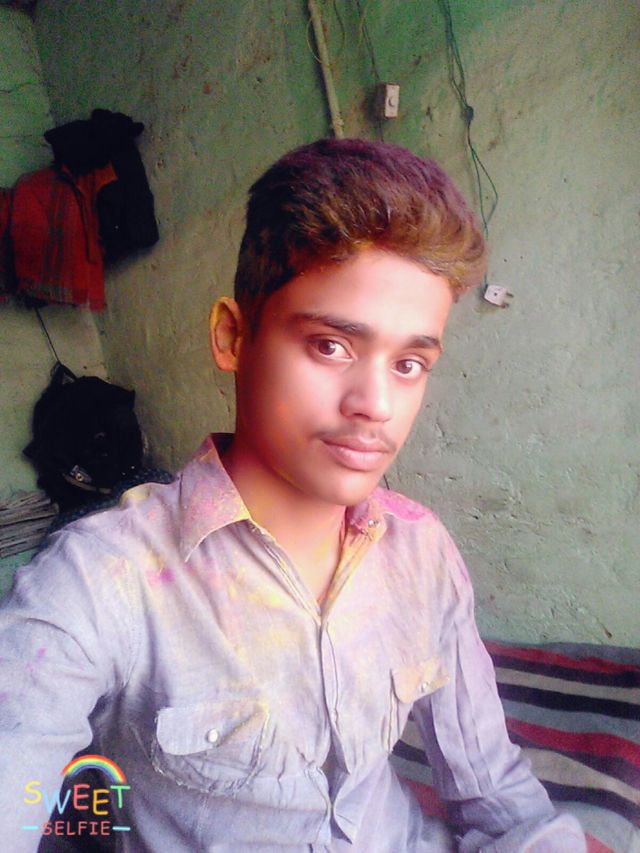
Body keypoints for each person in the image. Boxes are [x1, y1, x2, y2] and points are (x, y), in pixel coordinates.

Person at [0, 138, 586, 852]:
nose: (376, 404)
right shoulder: (98, 581)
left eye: (409, 363)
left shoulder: (422, 551)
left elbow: (495, 795)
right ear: (232, 336)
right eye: (330, 345)